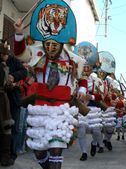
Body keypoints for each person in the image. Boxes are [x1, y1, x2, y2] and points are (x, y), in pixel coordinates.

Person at [14, 1, 86, 168]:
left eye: (55, 45)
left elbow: (82, 78)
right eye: (48, 44)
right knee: (39, 151)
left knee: (56, 148)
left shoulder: (73, 59)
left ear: (61, 43)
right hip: (40, 109)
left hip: (61, 110)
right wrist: (18, 33)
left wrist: (82, 88)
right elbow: (19, 54)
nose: (51, 48)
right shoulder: (37, 53)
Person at [0, 42, 15, 166]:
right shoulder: (3, 66)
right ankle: (5, 158)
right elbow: (6, 85)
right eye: (6, 54)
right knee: (6, 129)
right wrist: (11, 84)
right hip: (2, 101)